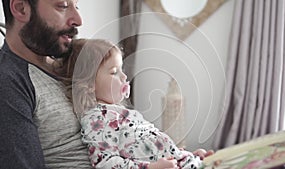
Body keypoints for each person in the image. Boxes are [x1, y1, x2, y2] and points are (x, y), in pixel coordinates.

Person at [59, 38, 214, 169]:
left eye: (121, 70)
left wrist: (183, 155)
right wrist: (150, 167)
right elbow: (104, 162)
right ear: (89, 83)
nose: (124, 77)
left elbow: (147, 149)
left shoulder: (119, 113)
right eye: (114, 72)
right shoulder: (97, 119)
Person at [0, 0, 92, 168]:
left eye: (76, 6)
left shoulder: (70, 65)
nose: (78, 20)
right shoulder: (9, 82)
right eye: (63, 6)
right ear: (21, 9)